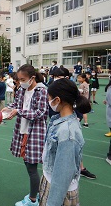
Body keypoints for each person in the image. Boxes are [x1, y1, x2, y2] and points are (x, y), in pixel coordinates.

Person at [39, 78, 91, 206]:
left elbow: (63, 175)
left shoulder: (67, 132)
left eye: (49, 97)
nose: (47, 101)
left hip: (59, 189)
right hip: (50, 179)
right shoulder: (59, 120)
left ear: (57, 100)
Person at [3, 64, 48, 206]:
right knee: (29, 165)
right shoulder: (22, 90)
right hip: (23, 131)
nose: (20, 82)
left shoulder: (41, 91)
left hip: (35, 133)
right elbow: (16, 104)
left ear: (32, 78)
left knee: (31, 167)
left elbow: (41, 113)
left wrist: (18, 112)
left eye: (22, 79)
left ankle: (33, 199)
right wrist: (7, 109)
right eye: (19, 79)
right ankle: (37, 194)